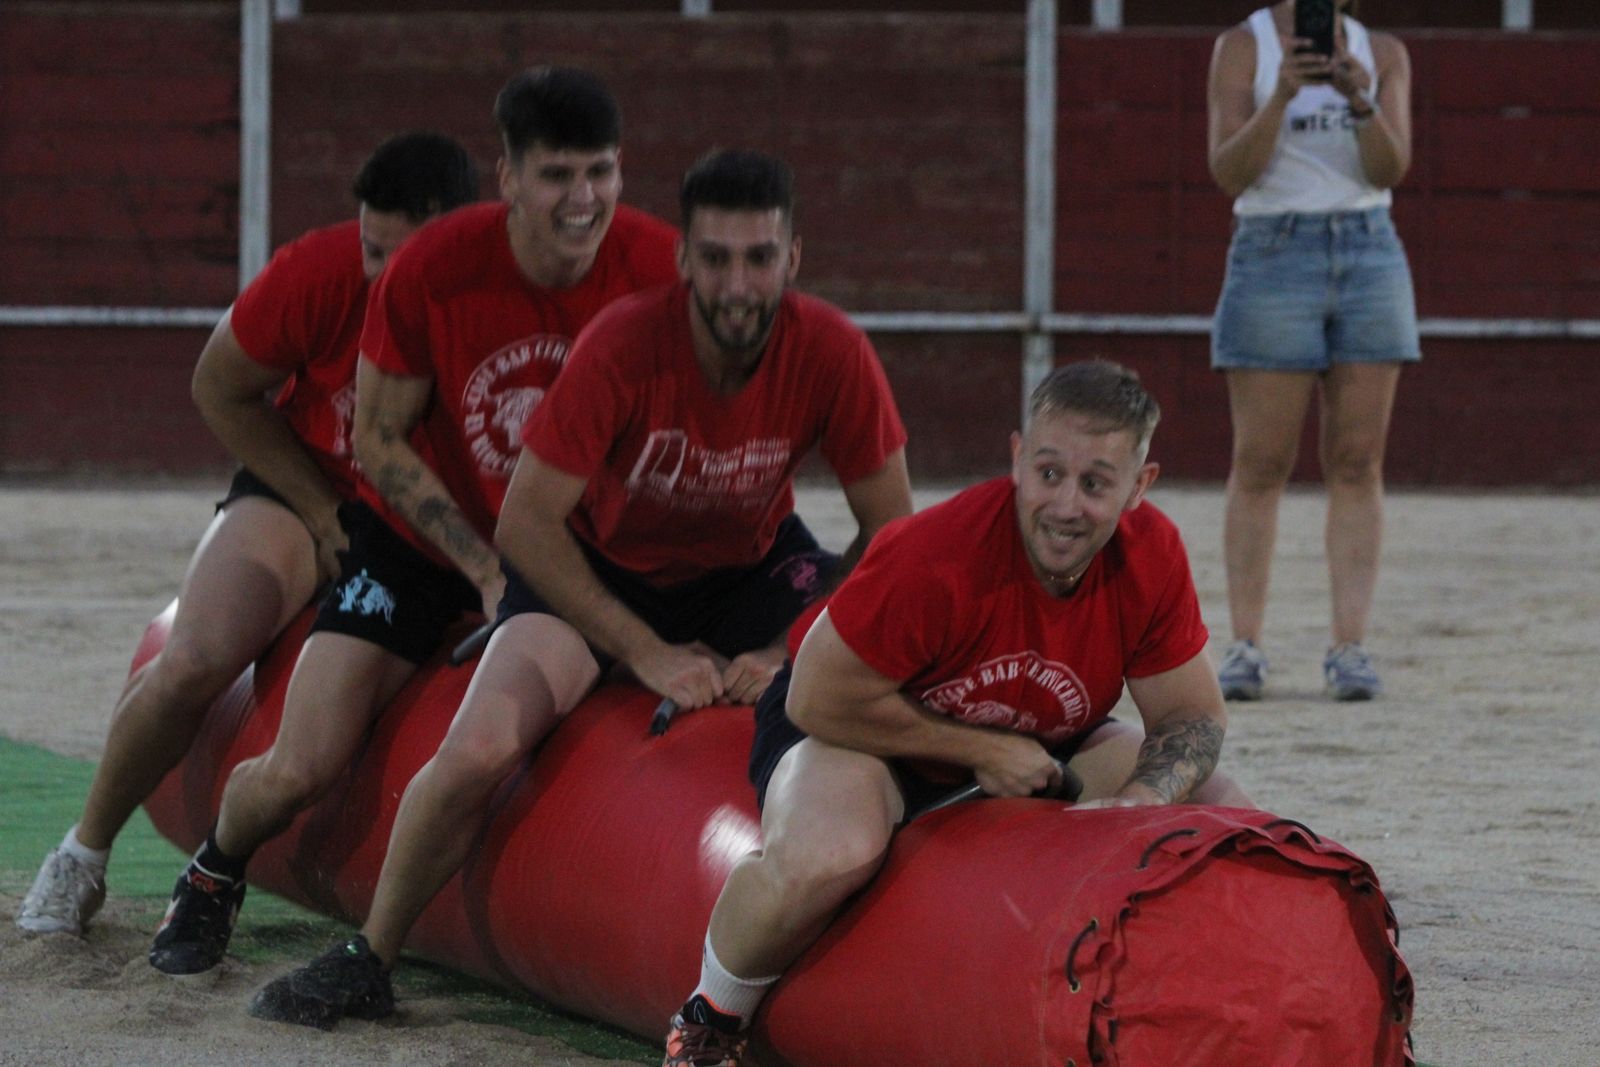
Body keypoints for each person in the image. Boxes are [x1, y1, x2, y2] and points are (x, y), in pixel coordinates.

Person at [246, 148, 913, 1030]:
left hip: (754, 573)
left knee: (866, 682)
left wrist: (785, 646)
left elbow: (892, 535)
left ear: (793, 260)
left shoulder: (833, 350)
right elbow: (526, 525)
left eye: (759, 258)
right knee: (479, 746)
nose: (738, 282)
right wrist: (647, 651)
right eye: (715, 258)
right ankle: (371, 952)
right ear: (684, 261)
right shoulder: (625, 344)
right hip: (598, 570)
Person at [145, 66, 681, 978]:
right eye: (556, 175)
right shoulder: (431, 268)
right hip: (423, 544)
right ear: (508, 179)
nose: (581, 199)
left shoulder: (663, 270)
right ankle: (215, 868)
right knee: (302, 764)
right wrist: (481, 566)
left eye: (600, 172)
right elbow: (383, 443)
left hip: (574, 547)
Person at [659, 360, 1253, 1067]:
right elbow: (812, 696)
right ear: (1016, 460)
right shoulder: (937, 551)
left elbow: (1193, 716)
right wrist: (979, 750)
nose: (1066, 504)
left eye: (1095, 483)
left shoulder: (1150, 555)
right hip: (863, 729)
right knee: (830, 850)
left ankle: (1241, 1006)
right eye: (1049, 473)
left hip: (1030, 742)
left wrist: (1142, 800)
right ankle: (708, 1019)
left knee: (1219, 807)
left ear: (1138, 488)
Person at [14, 132, 478, 938]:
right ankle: (81, 854)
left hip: (436, 524)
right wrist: (323, 513)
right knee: (193, 658)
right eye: (371, 249)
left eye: (397, 259)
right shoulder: (317, 271)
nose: (377, 275)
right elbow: (217, 387)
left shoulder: (509, 302)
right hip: (312, 490)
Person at [1206, 0, 1418, 702]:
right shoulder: (1244, 47)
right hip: (1273, 246)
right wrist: (1285, 98)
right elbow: (1231, 170)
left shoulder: (1381, 53)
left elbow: (1390, 167)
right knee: (1261, 460)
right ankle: (1244, 643)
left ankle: (1349, 645)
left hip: (1367, 245)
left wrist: (1359, 97)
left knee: (1358, 458)